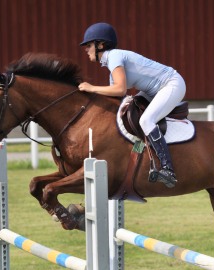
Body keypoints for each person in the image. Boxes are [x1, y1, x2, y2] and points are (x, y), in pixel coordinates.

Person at [78, 22, 185, 188]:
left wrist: (91, 88)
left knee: (146, 121)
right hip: (153, 91)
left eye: (88, 45)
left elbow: (119, 89)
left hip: (171, 84)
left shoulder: (113, 56)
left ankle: (167, 168)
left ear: (101, 45)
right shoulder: (111, 61)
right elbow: (117, 97)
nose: (86, 49)